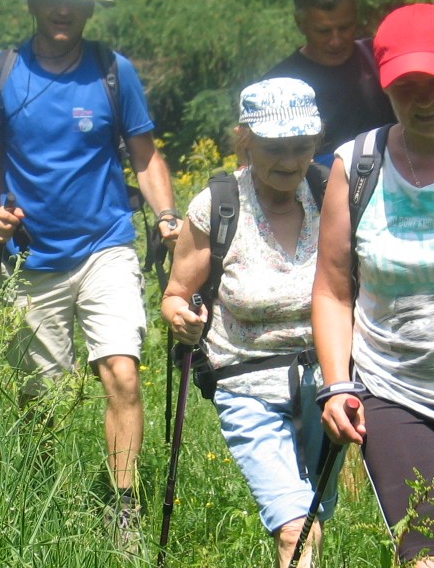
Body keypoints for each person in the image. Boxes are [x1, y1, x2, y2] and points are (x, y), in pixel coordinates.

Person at [0, 0, 181, 539]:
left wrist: (166, 215)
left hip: (106, 244)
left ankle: (124, 508)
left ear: (89, 9)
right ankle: (41, 497)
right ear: (32, 0)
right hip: (30, 256)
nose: (63, 8)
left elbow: (145, 155)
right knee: (43, 397)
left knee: (122, 372)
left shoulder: (113, 71)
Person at [313, 3, 434, 568]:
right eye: (406, 86)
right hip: (397, 392)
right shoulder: (358, 164)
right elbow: (333, 290)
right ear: (384, 86)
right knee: (433, 560)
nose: (424, 99)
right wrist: (336, 385)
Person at [162, 78, 334, 568]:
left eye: (301, 146)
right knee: (296, 528)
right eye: (274, 148)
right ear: (245, 142)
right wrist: (182, 319)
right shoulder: (218, 206)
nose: (289, 161)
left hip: (326, 385)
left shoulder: (331, 195)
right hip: (246, 385)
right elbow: (174, 296)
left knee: (316, 520)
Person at [263, 0, 395, 165]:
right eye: (323, 31)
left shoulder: (380, 58)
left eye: (345, 27)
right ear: (300, 23)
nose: (336, 41)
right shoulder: (278, 86)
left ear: (356, 15)